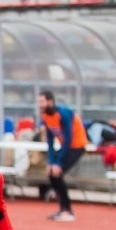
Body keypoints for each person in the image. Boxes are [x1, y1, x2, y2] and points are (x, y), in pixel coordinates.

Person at [38, 90, 86, 222]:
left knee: (57, 174)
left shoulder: (63, 114)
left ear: (50, 101)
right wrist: (50, 162)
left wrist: (58, 163)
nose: (40, 105)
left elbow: (68, 139)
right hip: (66, 147)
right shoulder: (46, 116)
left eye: (42, 101)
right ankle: (63, 208)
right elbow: (50, 140)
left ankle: (67, 210)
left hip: (76, 146)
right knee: (51, 175)